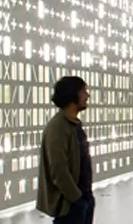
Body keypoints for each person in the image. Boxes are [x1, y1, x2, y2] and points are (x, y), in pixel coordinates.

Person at [36, 76, 94, 224]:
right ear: (72, 94)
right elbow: (58, 170)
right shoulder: (58, 127)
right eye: (83, 91)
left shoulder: (73, 125)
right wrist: (77, 199)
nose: (87, 95)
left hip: (81, 201)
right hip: (69, 206)